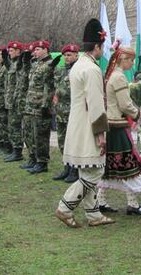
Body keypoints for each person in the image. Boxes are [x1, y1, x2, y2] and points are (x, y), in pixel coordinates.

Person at [56, 18, 115, 228]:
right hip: (89, 126)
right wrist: (100, 135)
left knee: (86, 170)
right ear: (97, 46)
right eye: (103, 47)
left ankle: (94, 214)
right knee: (95, 171)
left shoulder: (79, 65)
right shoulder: (91, 69)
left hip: (77, 123)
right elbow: (96, 104)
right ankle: (65, 207)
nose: (103, 50)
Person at [97, 45, 141, 216]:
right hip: (118, 125)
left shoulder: (111, 75)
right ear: (123, 59)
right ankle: (133, 204)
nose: (132, 63)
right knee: (128, 164)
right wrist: (138, 113)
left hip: (110, 123)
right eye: (131, 60)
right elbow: (125, 104)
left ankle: (101, 201)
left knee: (111, 164)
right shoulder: (119, 77)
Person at [24, 40, 59, 174]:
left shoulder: (50, 65)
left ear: (45, 50)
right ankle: (33, 158)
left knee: (41, 136)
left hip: (41, 106)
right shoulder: (36, 64)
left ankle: (42, 162)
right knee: (30, 134)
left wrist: (46, 104)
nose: (35, 52)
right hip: (31, 105)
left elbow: (49, 87)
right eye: (35, 50)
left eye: (38, 49)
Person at [52, 44, 80, 182]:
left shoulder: (79, 69)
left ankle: (75, 170)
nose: (66, 57)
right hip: (60, 111)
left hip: (73, 111)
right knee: (62, 141)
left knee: (74, 142)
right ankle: (66, 168)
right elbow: (56, 87)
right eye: (65, 55)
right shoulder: (60, 70)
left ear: (76, 55)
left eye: (69, 55)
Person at [4, 41, 24, 162]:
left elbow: (20, 83)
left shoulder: (20, 64)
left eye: (11, 51)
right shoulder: (12, 64)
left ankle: (18, 152)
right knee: (12, 126)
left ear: (18, 51)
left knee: (16, 126)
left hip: (17, 100)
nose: (9, 53)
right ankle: (15, 150)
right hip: (10, 100)